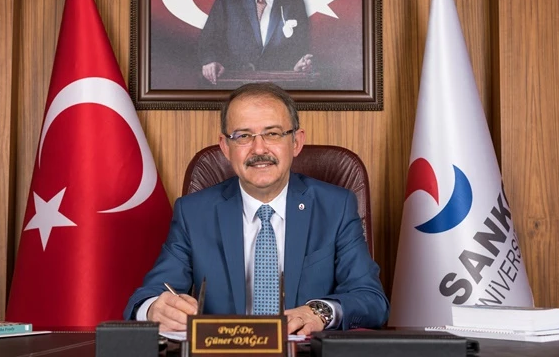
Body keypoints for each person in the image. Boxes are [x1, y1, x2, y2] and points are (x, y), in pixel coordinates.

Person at [124, 82, 389, 335]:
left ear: (296, 142)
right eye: (243, 136)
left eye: (273, 134)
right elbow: (147, 297)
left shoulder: (336, 207)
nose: (259, 149)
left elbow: (371, 299)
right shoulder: (193, 213)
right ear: (225, 147)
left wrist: (319, 312)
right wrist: (153, 309)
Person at [198, 0, 314, 85]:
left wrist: (299, 64)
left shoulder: (294, 2)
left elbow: (300, 47)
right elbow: (208, 39)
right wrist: (210, 61)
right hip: (233, 83)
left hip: (276, 86)